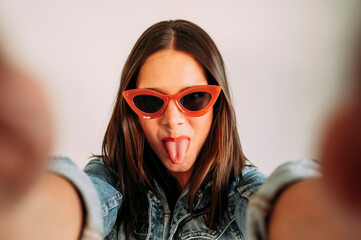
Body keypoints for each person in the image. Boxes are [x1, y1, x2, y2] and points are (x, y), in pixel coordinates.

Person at [0, 19, 321, 240]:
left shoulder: (245, 194)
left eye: (193, 98)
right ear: (132, 110)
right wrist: (20, 202)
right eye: (151, 102)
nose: (172, 119)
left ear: (216, 106)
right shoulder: (108, 181)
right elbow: (77, 199)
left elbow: (283, 206)